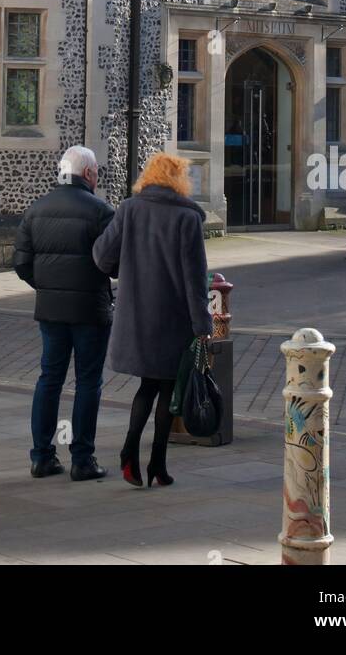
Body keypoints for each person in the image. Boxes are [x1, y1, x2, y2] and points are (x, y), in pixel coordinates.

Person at [93, 151, 213, 488]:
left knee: (147, 386)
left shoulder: (129, 209)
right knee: (167, 389)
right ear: (179, 180)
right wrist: (203, 326)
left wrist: (126, 270)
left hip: (137, 316)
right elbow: (195, 280)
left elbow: (102, 256)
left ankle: (131, 453)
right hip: (172, 319)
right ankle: (156, 463)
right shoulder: (186, 218)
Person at [13, 145, 114, 481]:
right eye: (96, 172)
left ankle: (42, 457)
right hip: (90, 310)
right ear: (87, 174)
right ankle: (82, 460)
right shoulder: (101, 211)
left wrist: (47, 287)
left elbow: (21, 263)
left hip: (51, 310)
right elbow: (114, 262)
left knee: (49, 379)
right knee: (88, 383)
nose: (97, 177)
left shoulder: (36, 209)